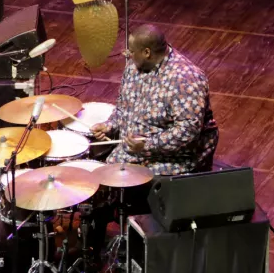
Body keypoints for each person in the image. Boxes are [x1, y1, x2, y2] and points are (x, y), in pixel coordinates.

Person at [91, 24, 218, 175]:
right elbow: (123, 107)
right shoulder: (134, 67)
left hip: (172, 158)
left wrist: (147, 146)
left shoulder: (185, 79)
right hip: (133, 150)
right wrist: (109, 126)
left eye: (131, 52)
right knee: (101, 173)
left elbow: (187, 132)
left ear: (146, 52)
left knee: (114, 178)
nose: (128, 55)